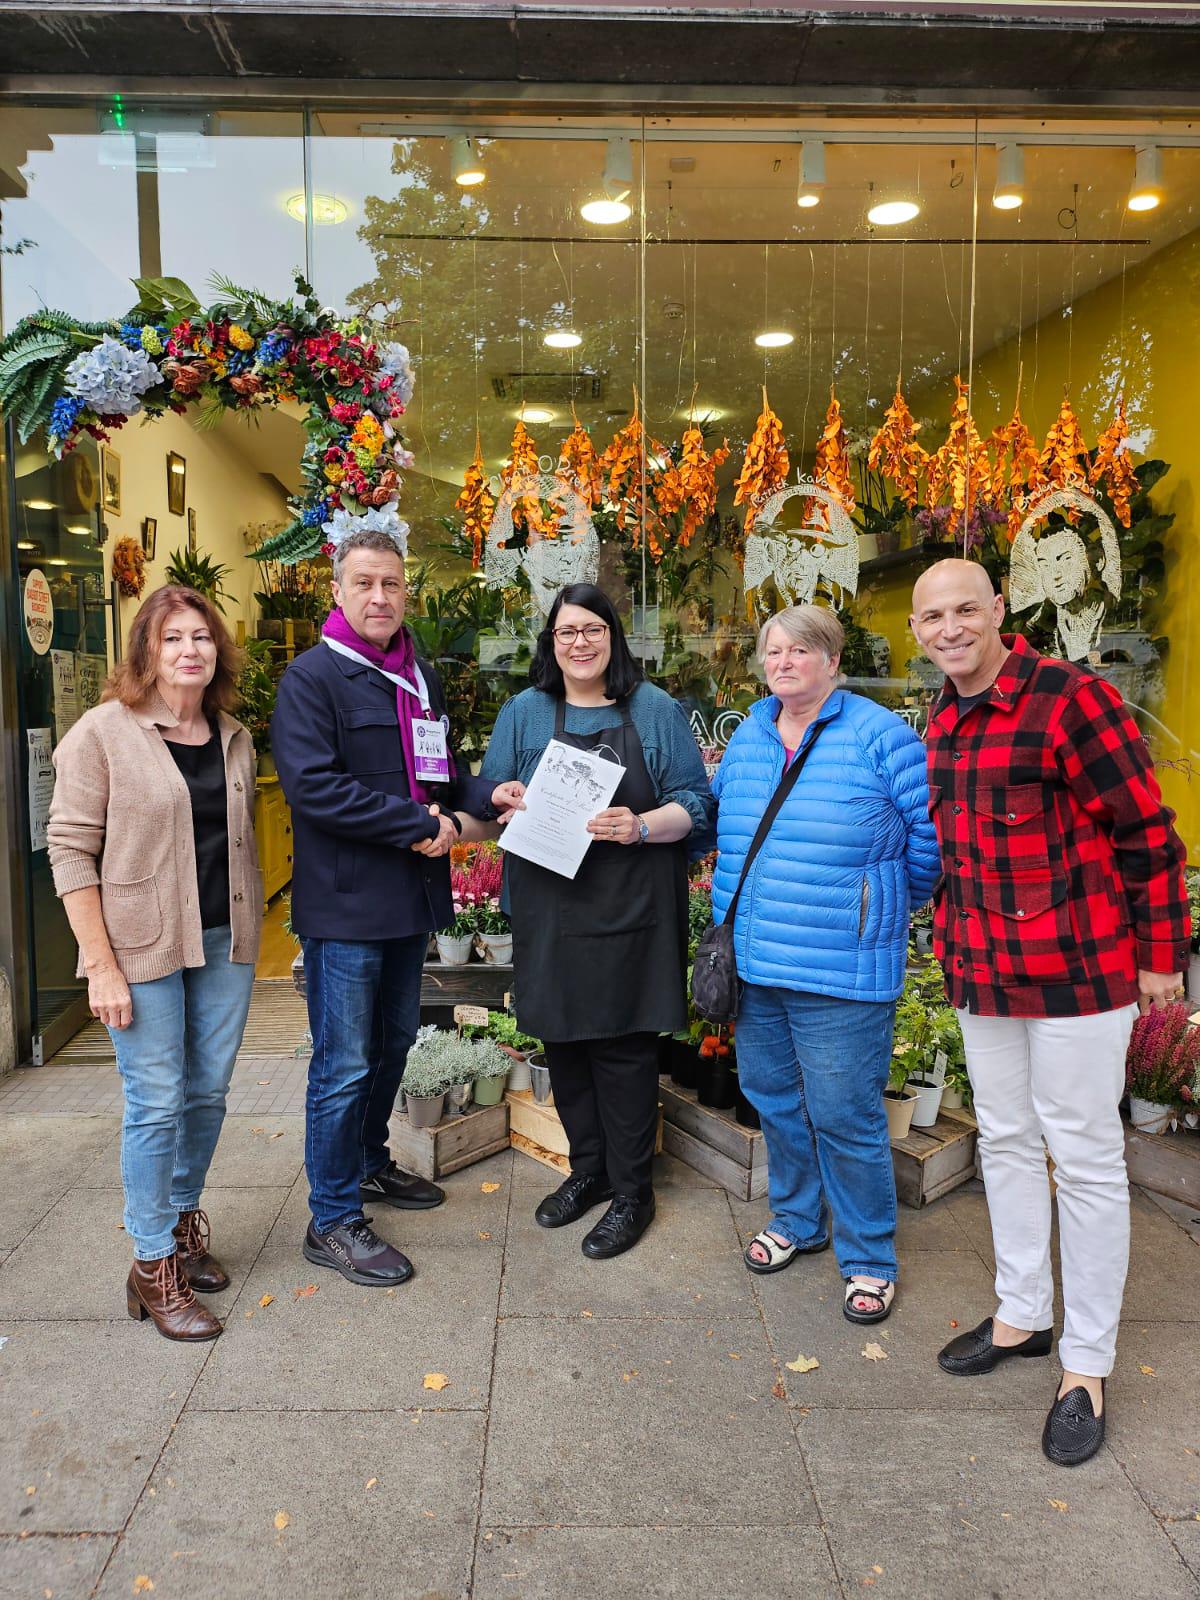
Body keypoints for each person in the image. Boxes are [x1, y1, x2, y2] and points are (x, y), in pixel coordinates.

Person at [910, 558, 1191, 1466]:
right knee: (1004, 1142)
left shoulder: (1071, 700)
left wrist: (1161, 962)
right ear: (917, 631)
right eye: (931, 617)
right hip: (983, 970)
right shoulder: (943, 717)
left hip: (1079, 973)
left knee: (1087, 1157)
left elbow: (1149, 835)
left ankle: (1086, 1363)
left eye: (964, 610)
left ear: (999, 610)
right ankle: (1024, 1315)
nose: (949, 628)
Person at [272, 524, 523, 1288]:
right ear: (338, 590)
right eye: (364, 583)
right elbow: (315, 789)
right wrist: (422, 825)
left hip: (409, 903)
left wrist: (489, 794)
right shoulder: (312, 680)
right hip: (347, 908)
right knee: (342, 1065)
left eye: (391, 584)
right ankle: (333, 1218)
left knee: (388, 1052)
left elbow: (438, 776)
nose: (379, 597)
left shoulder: (420, 678)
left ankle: (372, 1165)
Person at [711, 604, 939, 1323]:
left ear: (833, 662)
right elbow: (728, 828)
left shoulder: (881, 736)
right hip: (757, 961)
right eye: (772, 651)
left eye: (800, 651)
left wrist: (876, 911)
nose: (782, 662)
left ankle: (869, 1256)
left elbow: (926, 849)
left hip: (842, 967)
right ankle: (799, 1222)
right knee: (774, 1100)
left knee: (846, 1114)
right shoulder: (748, 737)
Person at [47, 586, 261, 1342]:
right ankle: (150, 1263)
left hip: (222, 940)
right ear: (145, 651)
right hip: (138, 946)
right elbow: (70, 848)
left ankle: (178, 1225)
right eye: (172, 639)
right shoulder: (101, 734)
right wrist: (99, 964)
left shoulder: (233, 736)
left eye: (201, 637)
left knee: (208, 1094)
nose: (189, 651)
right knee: (157, 1096)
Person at [481, 582, 715, 1259]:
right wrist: (502, 797)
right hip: (549, 909)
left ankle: (634, 1191)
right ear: (550, 644)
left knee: (623, 1052)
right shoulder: (526, 712)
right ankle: (590, 1172)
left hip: (632, 909)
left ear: (613, 637)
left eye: (592, 629)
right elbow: (491, 792)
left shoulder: (654, 709)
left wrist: (640, 825)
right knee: (565, 1045)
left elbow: (695, 806)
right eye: (565, 632)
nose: (578, 642)